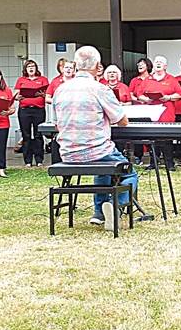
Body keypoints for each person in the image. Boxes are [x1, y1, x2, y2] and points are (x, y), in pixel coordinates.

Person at [51, 45, 138, 229]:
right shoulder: (99, 89)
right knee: (130, 173)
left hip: (68, 154)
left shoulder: (60, 90)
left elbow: (56, 124)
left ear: (75, 65)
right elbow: (122, 121)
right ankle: (116, 205)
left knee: (103, 169)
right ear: (98, 66)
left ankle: (99, 213)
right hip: (97, 151)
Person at [138, 55, 181, 170]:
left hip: (166, 111)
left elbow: (179, 94)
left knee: (167, 138)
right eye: (156, 62)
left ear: (165, 66)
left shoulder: (171, 79)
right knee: (153, 137)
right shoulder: (148, 79)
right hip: (152, 112)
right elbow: (139, 95)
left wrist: (168, 97)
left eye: (161, 62)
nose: (158, 64)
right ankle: (154, 163)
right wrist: (147, 99)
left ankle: (169, 163)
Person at [14, 59, 49, 167]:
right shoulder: (21, 80)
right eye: (29, 66)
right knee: (26, 135)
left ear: (36, 68)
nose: (31, 68)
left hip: (38, 109)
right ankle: (28, 161)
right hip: (25, 110)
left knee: (38, 135)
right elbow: (15, 95)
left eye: (33, 66)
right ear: (25, 69)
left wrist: (43, 94)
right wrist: (17, 97)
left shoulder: (43, 79)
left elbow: (48, 93)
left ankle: (39, 160)